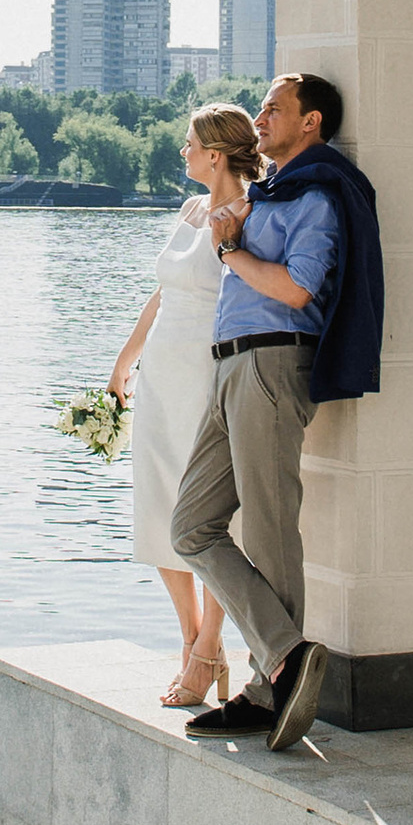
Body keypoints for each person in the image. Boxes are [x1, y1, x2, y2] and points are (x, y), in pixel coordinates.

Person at [171, 68, 384, 753]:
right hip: (230, 362)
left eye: (274, 108)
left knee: (267, 529)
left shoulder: (317, 196)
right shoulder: (268, 195)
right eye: (260, 109)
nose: (260, 118)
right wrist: (233, 231)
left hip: (271, 358)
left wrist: (232, 249)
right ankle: (286, 655)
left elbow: (296, 289)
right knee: (191, 525)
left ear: (312, 121)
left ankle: (272, 682)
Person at [108, 105, 264, 707]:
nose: (183, 153)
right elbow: (164, 292)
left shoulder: (250, 212)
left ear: (217, 155)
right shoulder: (190, 209)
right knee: (157, 506)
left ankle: (208, 652)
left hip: (207, 375)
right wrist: (126, 359)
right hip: (161, 377)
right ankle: (193, 641)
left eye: (190, 144)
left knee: (212, 518)